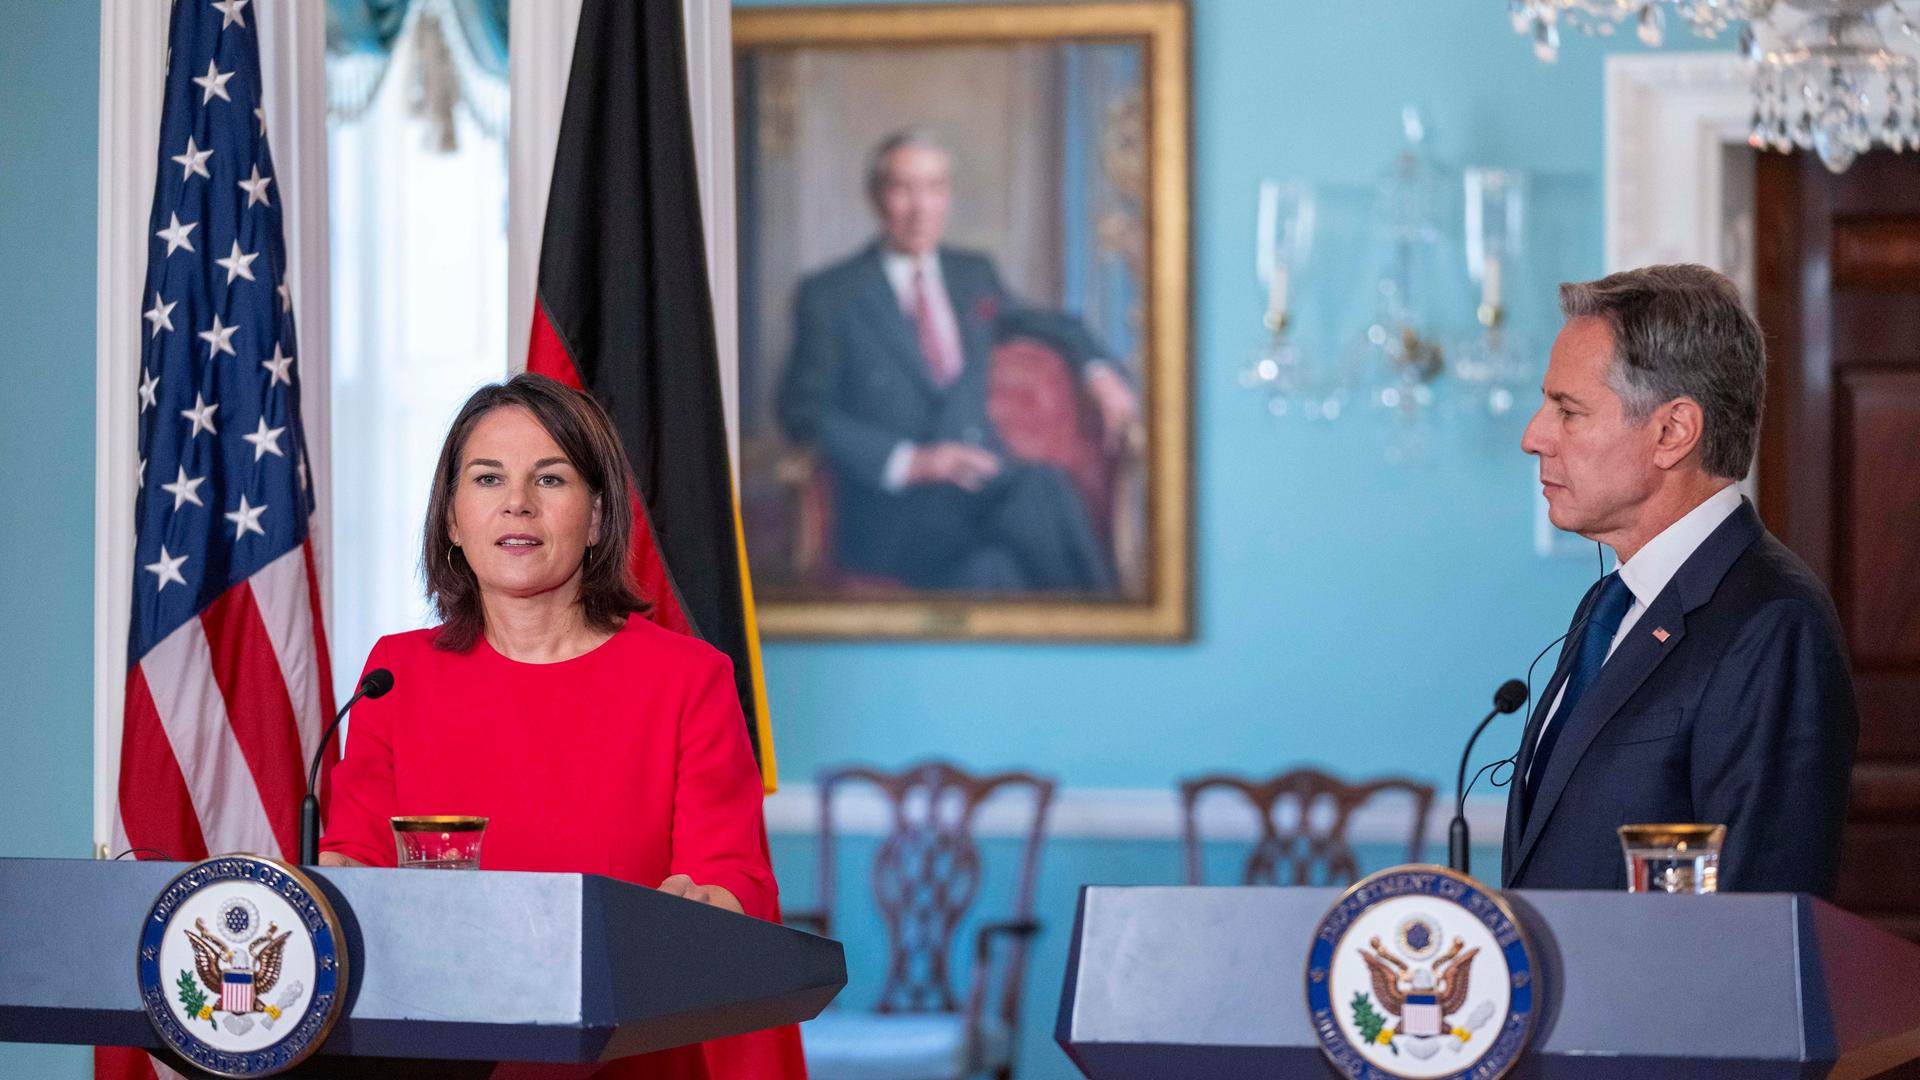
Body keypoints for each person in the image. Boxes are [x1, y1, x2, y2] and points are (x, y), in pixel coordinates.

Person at [319, 373, 803, 1079]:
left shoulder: (686, 678)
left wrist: (703, 905)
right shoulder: (395, 674)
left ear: (599, 517)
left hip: (633, 1054)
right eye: (487, 479)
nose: (516, 501)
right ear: (452, 519)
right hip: (442, 1054)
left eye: (550, 479)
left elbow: (733, 874)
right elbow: (353, 860)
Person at [1502, 264, 1858, 896]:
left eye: (1568, 410)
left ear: (1672, 431)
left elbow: (1758, 915)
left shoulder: (1771, 623)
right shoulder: (1611, 602)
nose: (1534, 437)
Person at [778, 129, 1138, 592]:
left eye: (934, 188)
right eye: (903, 188)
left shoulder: (972, 274)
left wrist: (1099, 371)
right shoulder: (831, 294)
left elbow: (1049, 324)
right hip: (897, 512)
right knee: (1039, 490)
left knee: (993, 574)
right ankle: (1115, 631)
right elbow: (802, 412)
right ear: (877, 196)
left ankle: (1103, 634)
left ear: (947, 196)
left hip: (980, 498)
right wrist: (914, 461)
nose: (920, 207)